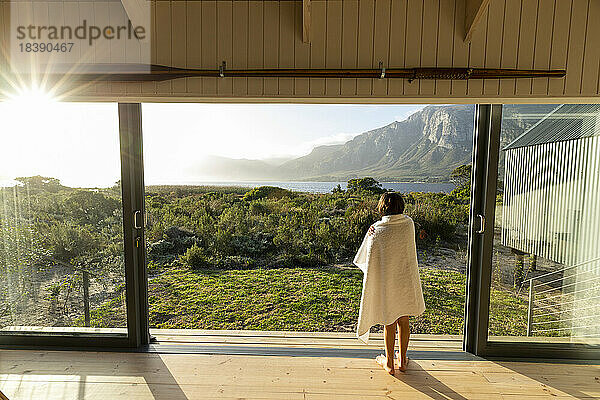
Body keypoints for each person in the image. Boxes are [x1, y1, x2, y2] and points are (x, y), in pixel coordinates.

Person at [353, 192, 425, 374]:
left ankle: (389, 364)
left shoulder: (376, 229)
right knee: (404, 319)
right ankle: (402, 361)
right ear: (401, 206)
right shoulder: (408, 224)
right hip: (405, 279)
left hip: (388, 282)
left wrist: (370, 232)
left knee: (389, 321)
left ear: (382, 207)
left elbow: (368, 257)